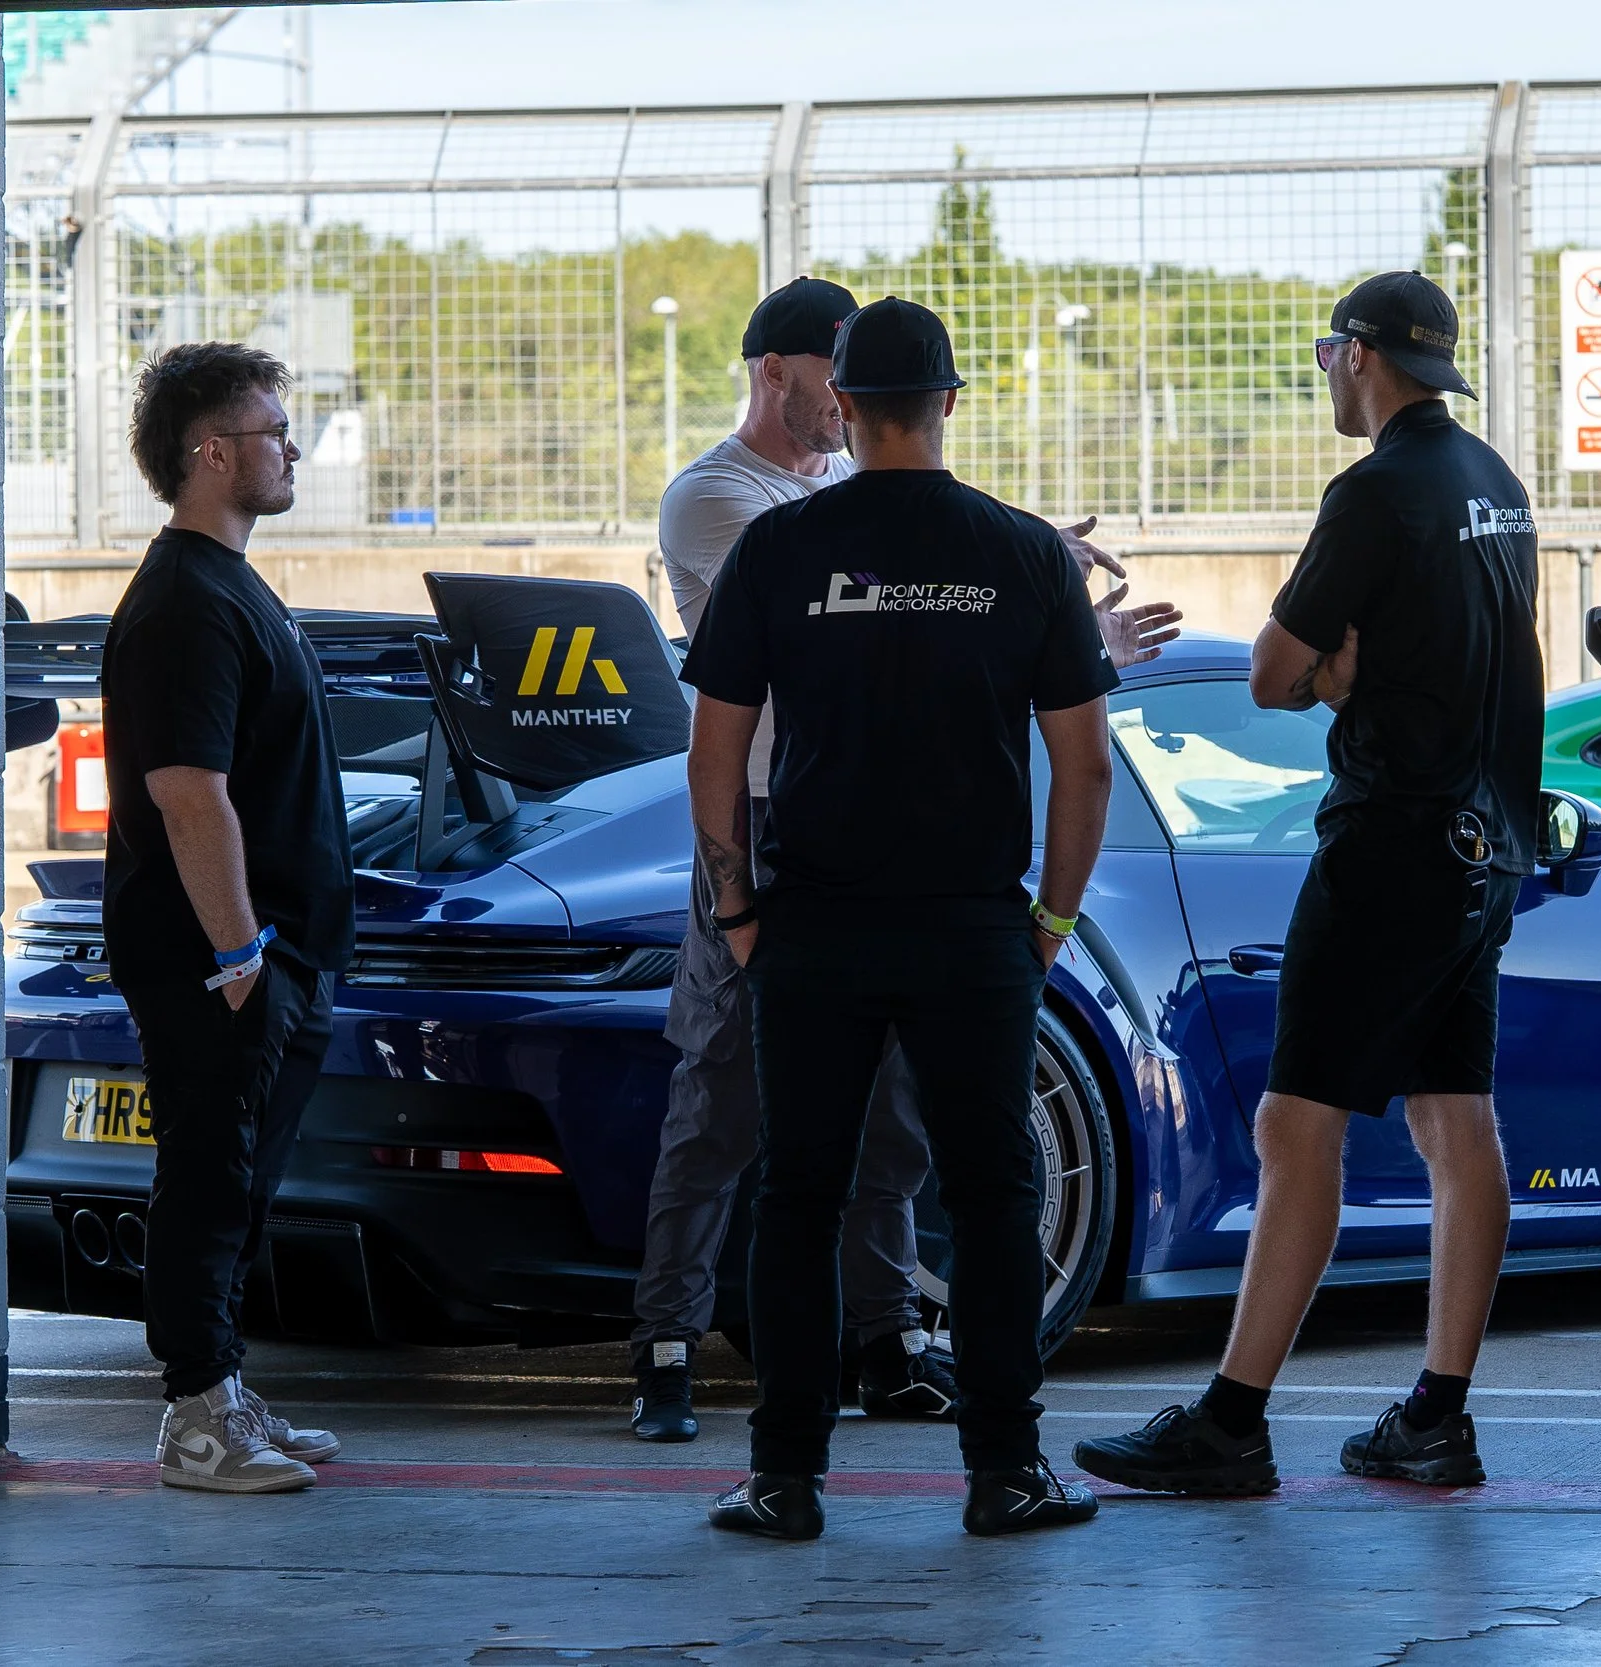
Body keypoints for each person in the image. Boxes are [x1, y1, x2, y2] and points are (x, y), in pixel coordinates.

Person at [628, 278, 1185, 1444]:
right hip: (783, 832)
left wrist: (1056, 619)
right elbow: (883, 628)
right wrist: (1031, 595)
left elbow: (901, 587)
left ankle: (872, 1358)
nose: (835, 409)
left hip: (839, 856)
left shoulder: (817, 514)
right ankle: (669, 1344)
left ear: (853, 392)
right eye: (817, 375)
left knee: (880, 1132)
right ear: (783, 372)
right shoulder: (724, 504)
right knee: (729, 1102)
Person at [1075, 271, 1540, 1496]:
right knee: (1455, 1120)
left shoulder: (1376, 490)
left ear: (1359, 358)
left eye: (1327, 353)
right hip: (1486, 842)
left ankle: (1230, 1421)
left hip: (1391, 840)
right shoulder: (1495, 483)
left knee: (1296, 1125)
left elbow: (1271, 675)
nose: (1325, 373)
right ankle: (1438, 1413)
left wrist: (1339, 682)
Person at [101, 343, 352, 1495]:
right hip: (221, 957)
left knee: (241, 1181)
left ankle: (225, 1388)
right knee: (206, 1180)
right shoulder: (184, 605)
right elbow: (185, 792)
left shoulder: (232, 583)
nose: (291, 446)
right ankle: (196, 1419)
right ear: (211, 452)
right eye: (272, 430)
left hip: (270, 955)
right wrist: (240, 948)